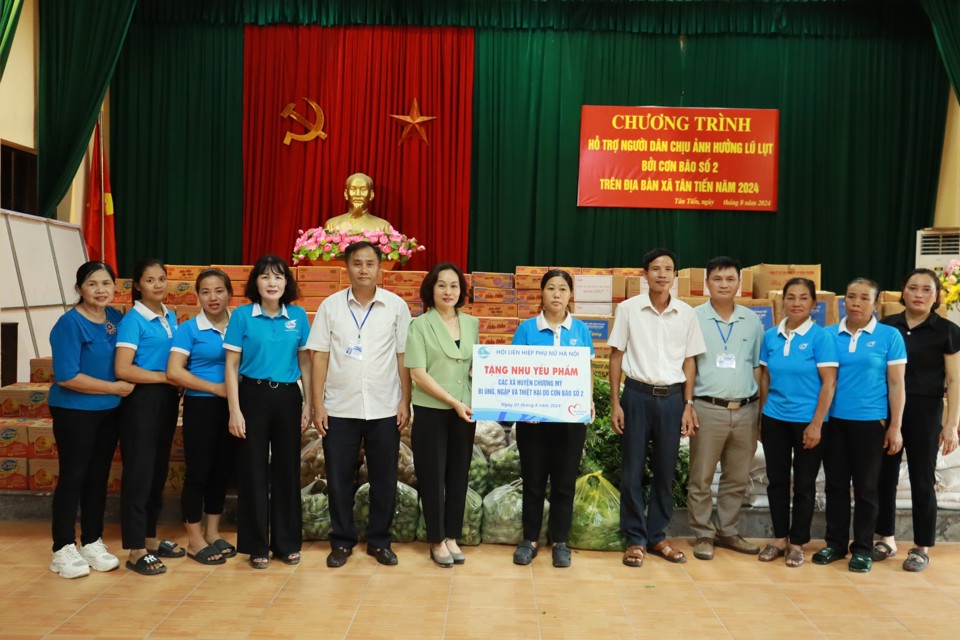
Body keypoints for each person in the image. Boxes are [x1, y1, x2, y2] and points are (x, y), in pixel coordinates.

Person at [308, 241, 412, 568]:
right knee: (338, 477)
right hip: (339, 407)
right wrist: (317, 404)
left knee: (384, 478)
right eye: (357, 263)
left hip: (384, 407)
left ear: (380, 268)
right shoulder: (330, 306)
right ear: (347, 267)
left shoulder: (396, 306)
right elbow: (320, 357)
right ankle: (341, 541)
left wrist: (405, 401)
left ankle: (380, 540)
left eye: (370, 263)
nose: (363, 270)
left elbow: (403, 357)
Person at [608, 248, 706, 568]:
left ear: (675, 275)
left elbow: (690, 361)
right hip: (636, 396)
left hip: (672, 399)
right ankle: (635, 539)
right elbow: (616, 356)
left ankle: (658, 536)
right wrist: (614, 402)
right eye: (655, 269)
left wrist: (688, 404)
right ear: (644, 274)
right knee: (632, 470)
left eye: (668, 269)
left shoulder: (686, 314)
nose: (662, 274)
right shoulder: (628, 310)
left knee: (665, 471)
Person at [224, 255, 312, 569]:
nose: (272, 283)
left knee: (288, 471)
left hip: (288, 397)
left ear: (287, 282)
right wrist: (234, 410)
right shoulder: (242, 317)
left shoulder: (299, 316)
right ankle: (256, 545)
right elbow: (231, 366)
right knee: (252, 471)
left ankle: (287, 543)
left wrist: (310, 404)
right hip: (252, 396)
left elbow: (305, 363)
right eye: (265, 277)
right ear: (255, 283)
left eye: (278, 277)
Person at [812, 278, 905, 573]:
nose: (855, 303)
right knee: (836, 486)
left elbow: (896, 384)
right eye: (850, 297)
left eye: (864, 298)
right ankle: (836, 544)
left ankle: (862, 547)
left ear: (875, 304)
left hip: (870, 422)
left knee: (866, 488)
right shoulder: (828, 335)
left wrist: (895, 426)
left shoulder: (890, 336)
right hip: (834, 422)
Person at [47, 261, 134, 579]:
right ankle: (62, 547)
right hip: (75, 411)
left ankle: (92, 540)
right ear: (79, 289)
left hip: (109, 411)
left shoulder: (115, 317)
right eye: (93, 284)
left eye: (106, 283)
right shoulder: (69, 324)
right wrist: (114, 387)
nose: (101, 290)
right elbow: (68, 376)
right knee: (74, 476)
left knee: (98, 476)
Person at [875, 268, 960, 571]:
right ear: (903, 291)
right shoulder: (885, 326)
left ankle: (921, 546)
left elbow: (954, 380)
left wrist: (951, 424)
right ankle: (885, 538)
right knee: (883, 477)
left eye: (927, 289)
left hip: (926, 411)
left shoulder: (947, 331)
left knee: (922, 479)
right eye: (913, 288)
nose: (919, 294)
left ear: (937, 295)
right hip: (886, 411)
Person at [510, 269, 595, 568]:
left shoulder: (581, 331)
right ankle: (529, 539)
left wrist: (588, 401)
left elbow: (585, 372)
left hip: (570, 421)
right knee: (533, 481)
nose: (556, 294)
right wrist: (524, 407)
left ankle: (560, 540)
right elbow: (517, 371)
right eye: (551, 288)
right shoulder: (526, 329)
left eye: (562, 289)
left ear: (570, 295)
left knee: (563, 483)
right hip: (533, 423)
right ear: (542, 294)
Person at [687, 257, 765, 561]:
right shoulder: (694, 318)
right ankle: (704, 534)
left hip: (746, 410)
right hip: (708, 409)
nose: (723, 284)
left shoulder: (752, 320)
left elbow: (758, 367)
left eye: (730, 279)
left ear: (738, 284)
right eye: (717, 279)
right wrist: (688, 404)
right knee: (702, 477)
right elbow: (688, 364)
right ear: (707, 282)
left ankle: (728, 531)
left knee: (737, 477)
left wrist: (760, 410)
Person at [757, 278, 837, 568]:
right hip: (775, 418)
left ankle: (797, 543)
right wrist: (762, 415)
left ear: (813, 304)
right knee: (777, 481)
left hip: (809, 422)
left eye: (804, 298)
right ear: (782, 302)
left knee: (804, 484)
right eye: (791, 297)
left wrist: (816, 424)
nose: (797, 303)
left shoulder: (821, 337)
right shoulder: (771, 336)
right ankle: (779, 538)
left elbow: (829, 383)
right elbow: (765, 378)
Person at [404, 263, 478, 567]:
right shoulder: (419, 325)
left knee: (458, 475)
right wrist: (451, 400)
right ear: (430, 290)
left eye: (454, 286)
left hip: (466, 409)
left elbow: (475, 361)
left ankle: (451, 536)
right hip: (432, 409)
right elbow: (418, 373)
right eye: (441, 285)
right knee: (432, 476)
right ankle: (436, 538)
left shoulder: (472, 323)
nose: (448, 291)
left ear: (462, 291)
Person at [115, 258, 181, 576]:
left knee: (157, 471)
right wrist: (165, 378)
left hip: (166, 399)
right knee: (140, 473)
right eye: (150, 280)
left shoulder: (171, 316)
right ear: (137, 286)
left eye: (162, 278)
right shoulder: (133, 321)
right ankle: (135, 548)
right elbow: (123, 369)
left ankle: (151, 539)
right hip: (141, 400)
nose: (158, 284)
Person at [167, 269, 236, 565]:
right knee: (199, 473)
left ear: (229, 293)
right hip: (201, 406)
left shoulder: (240, 323)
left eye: (219, 291)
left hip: (233, 407)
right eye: (206, 292)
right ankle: (194, 539)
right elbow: (174, 371)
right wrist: (215, 388)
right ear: (198, 296)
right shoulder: (188, 329)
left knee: (222, 471)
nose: (213, 297)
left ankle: (212, 531)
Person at [323, 173, 392, 233]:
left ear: (371, 195)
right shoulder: (332, 224)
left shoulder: (383, 226)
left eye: (363, 189)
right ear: (346, 194)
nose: (358, 194)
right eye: (353, 189)